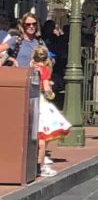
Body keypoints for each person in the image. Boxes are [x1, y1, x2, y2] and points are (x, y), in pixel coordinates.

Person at [32, 45, 70, 178]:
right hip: (41, 104)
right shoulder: (44, 70)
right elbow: (47, 90)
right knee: (43, 137)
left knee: (34, 136)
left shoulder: (30, 68)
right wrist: (52, 93)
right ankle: (40, 165)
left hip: (30, 103)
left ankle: (34, 164)